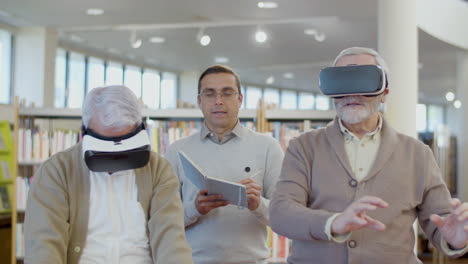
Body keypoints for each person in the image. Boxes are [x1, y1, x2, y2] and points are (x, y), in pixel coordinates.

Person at [269, 47, 468, 264]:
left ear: (384, 93)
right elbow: (281, 213)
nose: (352, 93)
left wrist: (456, 240)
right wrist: (333, 222)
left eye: (363, 81)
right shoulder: (304, 147)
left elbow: (441, 221)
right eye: (342, 82)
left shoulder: (418, 153)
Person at [24, 85, 193, 264]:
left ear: (139, 128)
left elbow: (171, 239)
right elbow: (43, 247)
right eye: (105, 145)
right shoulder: (57, 172)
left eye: (125, 143)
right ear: (85, 132)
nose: (115, 155)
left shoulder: (158, 170)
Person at [165, 65, 284, 264]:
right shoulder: (177, 151)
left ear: (240, 99)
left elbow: (285, 219)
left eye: (227, 93)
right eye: (210, 94)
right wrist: (195, 209)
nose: (218, 101)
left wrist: (257, 205)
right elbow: (164, 222)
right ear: (199, 101)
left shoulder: (268, 147)